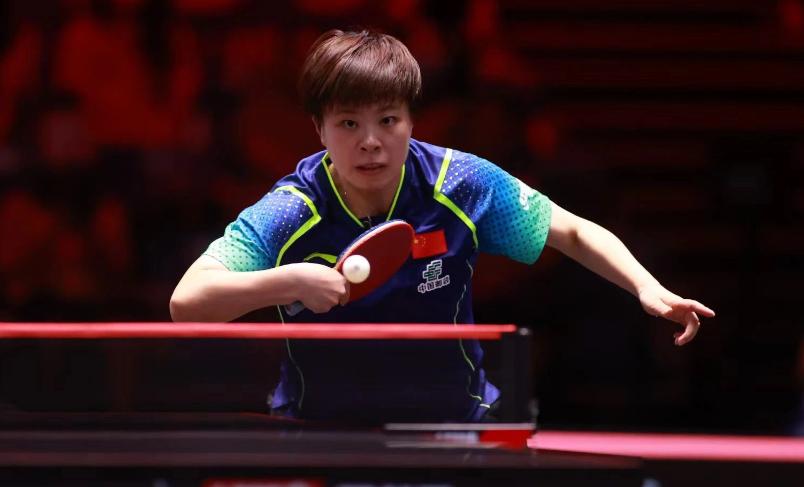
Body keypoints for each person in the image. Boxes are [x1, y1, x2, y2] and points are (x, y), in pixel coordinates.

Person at [170, 29, 715, 423]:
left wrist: (645, 286)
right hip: (321, 428)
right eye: (348, 123)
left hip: (453, 424)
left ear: (412, 119)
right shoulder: (293, 210)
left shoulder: (459, 185)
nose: (370, 141)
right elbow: (188, 302)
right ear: (319, 128)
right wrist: (288, 281)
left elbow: (569, 230)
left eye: (388, 120)